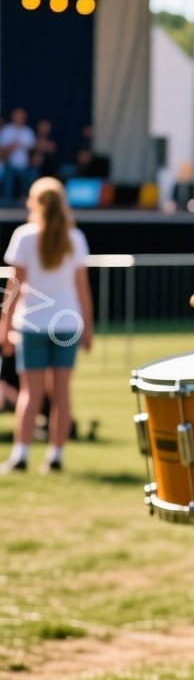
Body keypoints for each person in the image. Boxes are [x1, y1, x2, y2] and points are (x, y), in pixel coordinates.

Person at [0, 178, 91, 474]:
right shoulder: (74, 238)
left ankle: (21, 454)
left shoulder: (24, 236)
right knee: (61, 392)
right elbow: (82, 289)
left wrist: (4, 323)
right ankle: (55, 455)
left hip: (31, 324)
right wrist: (88, 328)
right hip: (66, 324)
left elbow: (14, 286)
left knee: (31, 392)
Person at [0, 108, 36, 206]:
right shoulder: (7, 130)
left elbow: (32, 149)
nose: (20, 118)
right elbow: (2, 149)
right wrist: (11, 146)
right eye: (18, 115)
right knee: (8, 186)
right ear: (13, 116)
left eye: (22, 115)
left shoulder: (28, 131)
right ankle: (6, 206)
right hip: (9, 165)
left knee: (27, 184)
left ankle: (25, 204)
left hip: (24, 166)